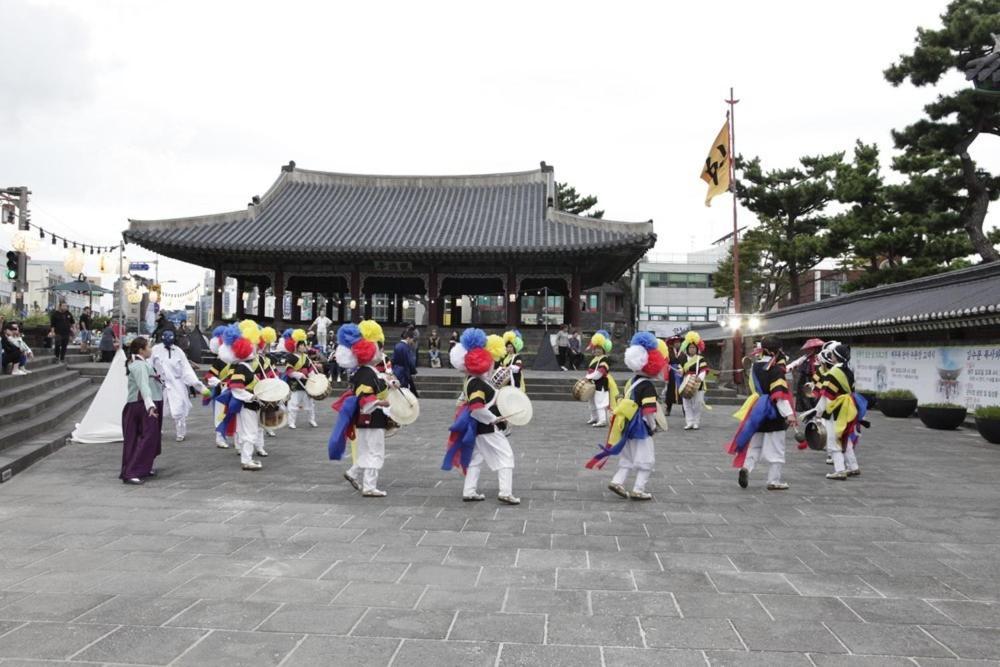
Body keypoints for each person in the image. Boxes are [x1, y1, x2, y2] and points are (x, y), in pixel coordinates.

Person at [444, 328, 519, 504]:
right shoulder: (477, 383)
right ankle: (505, 492)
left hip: (476, 428)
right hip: (486, 427)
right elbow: (476, 407)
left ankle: (469, 491)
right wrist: (493, 418)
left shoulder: (471, 380)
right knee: (506, 456)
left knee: (476, 458)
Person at [587, 332, 665, 500]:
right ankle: (638, 489)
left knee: (628, 457)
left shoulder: (632, 381)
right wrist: (653, 426)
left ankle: (617, 481)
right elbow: (649, 410)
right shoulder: (647, 386)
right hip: (640, 428)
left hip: (626, 425)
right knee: (646, 460)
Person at [727, 336, 796, 491]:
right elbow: (779, 395)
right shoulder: (776, 369)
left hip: (758, 409)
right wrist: (789, 414)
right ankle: (774, 480)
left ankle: (745, 468)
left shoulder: (755, 367)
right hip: (773, 413)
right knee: (777, 448)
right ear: (776, 350)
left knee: (755, 445)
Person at [334, 320, 392, 497]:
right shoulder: (367, 373)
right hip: (372, 417)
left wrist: (390, 384)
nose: (381, 351)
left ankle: (354, 473)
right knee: (375, 451)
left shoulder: (366, 371)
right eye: (379, 347)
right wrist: (381, 403)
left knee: (366, 450)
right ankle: (369, 486)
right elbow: (365, 399)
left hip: (367, 419)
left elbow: (378, 386)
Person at [816, 342, 865, 480]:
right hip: (848, 409)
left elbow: (826, 396)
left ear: (835, 357)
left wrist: (817, 412)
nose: (830, 355)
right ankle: (853, 467)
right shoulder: (849, 371)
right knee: (844, 437)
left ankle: (840, 469)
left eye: (831, 354)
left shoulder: (833, 373)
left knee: (834, 440)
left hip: (834, 410)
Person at [120, 337, 163, 485]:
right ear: (141, 350)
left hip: (143, 404)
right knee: (144, 438)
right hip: (141, 405)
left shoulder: (141, 364)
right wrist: (150, 405)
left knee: (149, 438)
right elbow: (143, 386)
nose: (151, 349)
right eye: (149, 347)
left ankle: (143, 468)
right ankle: (132, 471)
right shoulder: (139, 365)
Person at [151, 330, 207, 442]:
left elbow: (187, 370)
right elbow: (148, 364)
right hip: (160, 383)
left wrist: (199, 386)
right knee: (158, 409)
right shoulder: (156, 350)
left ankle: (180, 432)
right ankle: (157, 430)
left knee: (178, 409)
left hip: (176, 384)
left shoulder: (178, 351)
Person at [283, 329, 318, 429]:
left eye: (304, 345)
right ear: (296, 346)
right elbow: (289, 371)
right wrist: (297, 374)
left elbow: (310, 368)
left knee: (310, 403)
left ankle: (312, 420)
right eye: (301, 345)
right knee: (293, 403)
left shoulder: (306, 357)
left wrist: (312, 374)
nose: (303, 346)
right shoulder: (290, 357)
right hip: (295, 383)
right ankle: (291, 422)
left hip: (306, 382)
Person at [584, 329, 617, 427]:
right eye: (595, 348)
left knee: (600, 401)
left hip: (601, 383)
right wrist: (588, 377)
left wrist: (588, 377)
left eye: (599, 348)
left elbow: (599, 373)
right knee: (592, 402)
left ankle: (602, 420)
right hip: (593, 383)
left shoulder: (604, 360)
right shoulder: (595, 359)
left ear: (603, 349)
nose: (597, 350)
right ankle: (594, 417)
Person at [679, 331, 709, 430]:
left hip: (697, 383)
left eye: (694, 347)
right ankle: (689, 422)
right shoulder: (683, 358)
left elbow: (704, 370)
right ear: (687, 348)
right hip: (686, 382)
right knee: (686, 404)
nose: (692, 349)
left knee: (697, 404)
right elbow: (681, 369)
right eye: (690, 347)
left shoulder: (701, 359)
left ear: (697, 348)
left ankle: (696, 422)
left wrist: (700, 377)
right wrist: (680, 371)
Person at [392, 329, 419, 397]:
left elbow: (393, 359)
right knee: (404, 391)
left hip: (396, 370)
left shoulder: (397, 345)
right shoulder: (406, 348)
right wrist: (414, 371)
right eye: (412, 339)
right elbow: (410, 361)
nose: (412, 341)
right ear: (408, 338)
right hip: (404, 372)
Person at [663, 336, 683, 417]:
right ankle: (668, 408)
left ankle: (685, 409)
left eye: (679, 342)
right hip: (672, 373)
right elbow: (666, 362)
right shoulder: (669, 351)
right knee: (670, 391)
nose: (677, 344)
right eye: (676, 342)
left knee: (682, 390)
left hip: (681, 373)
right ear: (673, 344)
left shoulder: (683, 352)